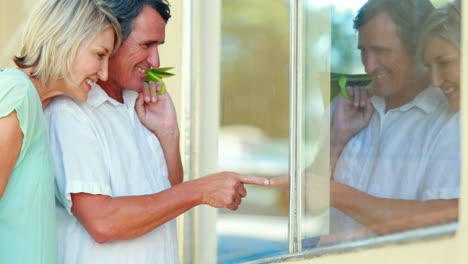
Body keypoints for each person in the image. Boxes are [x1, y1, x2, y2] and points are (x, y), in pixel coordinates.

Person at [44, 1, 270, 263]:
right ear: (110, 38)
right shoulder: (70, 111)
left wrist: (168, 133)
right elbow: (103, 222)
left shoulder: (137, 102)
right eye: (146, 45)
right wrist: (201, 190)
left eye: (158, 46)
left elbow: (167, 194)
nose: (156, 61)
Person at [326, 0, 459, 242]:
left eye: (381, 51)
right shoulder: (345, 107)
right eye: (363, 51)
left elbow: (447, 224)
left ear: (418, 46)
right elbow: (294, 205)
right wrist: (336, 140)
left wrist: (334, 193)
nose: (368, 66)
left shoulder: (452, 118)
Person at [0, 0, 121, 263]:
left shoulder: (37, 105)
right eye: (100, 55)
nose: (103, 73)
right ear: (64, 40)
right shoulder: (16, 94)